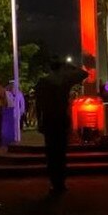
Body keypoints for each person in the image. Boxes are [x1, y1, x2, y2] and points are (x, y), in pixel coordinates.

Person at [35, 55, 89, 195]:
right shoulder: (65, 81)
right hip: (61, 119)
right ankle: (61, 182)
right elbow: (84, 73)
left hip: (48, 119)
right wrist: (69, 67)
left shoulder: (43, 82)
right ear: (61, 68)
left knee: (51, 153)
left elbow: (38, 104)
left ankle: (54, 182)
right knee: (61, 152)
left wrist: (39, 120)